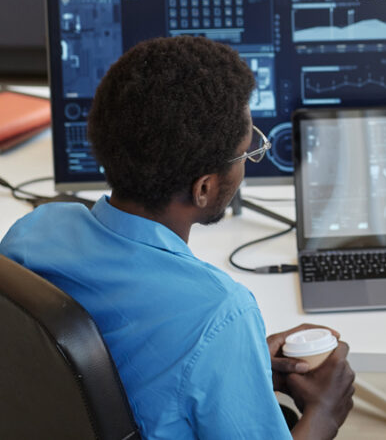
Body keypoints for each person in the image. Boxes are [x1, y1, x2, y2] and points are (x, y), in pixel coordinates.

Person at [0, 36, 355, 440]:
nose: (248, 160)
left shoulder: (35, 231)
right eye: (245, 152)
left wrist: (241, 361)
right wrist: (325, 413)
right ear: (203, 188)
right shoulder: (219, 313)